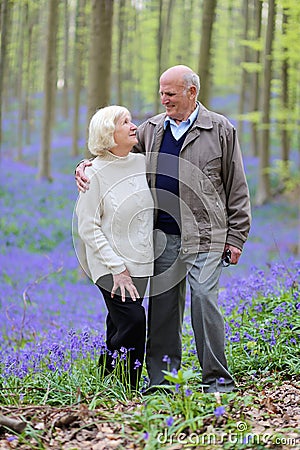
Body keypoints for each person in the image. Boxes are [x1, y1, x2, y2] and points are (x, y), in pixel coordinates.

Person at [75, 65, 251, 394]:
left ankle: (217, 380)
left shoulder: (220, 129)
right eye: (161, 92)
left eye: (170, 93)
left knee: (203, 300)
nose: (163, 99)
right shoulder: (152, 130)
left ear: (191, 92)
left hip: (206, 236)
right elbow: (112, 153)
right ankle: (162, 382)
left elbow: (237, 186)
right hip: (162, 238)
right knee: (164, 309)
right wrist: (85, 165)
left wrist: (237, 236)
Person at [75, 105, 154, 390]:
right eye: (125, 122)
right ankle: (128, 389)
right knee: (134, 320)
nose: (134, 126)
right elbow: (88, 227)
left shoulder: (142, 162)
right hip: (111, 267)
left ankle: (106, 382)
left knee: (118, 324)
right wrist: (117, 268)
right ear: (109, 132)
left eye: (131, 121)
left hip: (142, 262)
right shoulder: (93, 174)